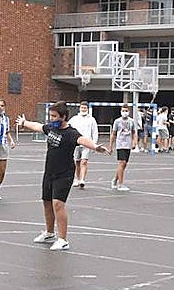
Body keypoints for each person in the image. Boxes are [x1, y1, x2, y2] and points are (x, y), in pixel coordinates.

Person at [17, 102, 109, 252]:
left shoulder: (70, 133)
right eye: (50, 116)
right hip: (49, 172)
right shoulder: (52, 128)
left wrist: (95, 147)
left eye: (54, 116)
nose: (52, 119)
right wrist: (24, 123)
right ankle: (49, 233)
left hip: (64, 174)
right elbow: (38, 126)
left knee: (58, 204)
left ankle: (63, 239)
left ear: (63, 117)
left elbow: (82, 140)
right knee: (46, 202)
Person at [68, 101, 99, 188]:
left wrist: (94, 144)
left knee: (84, 161)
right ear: (79, 108)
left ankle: (82, 179)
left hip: (87, 143)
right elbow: (68, 127)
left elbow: (95, 132)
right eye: (82, 108)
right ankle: (77, 178)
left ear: (87, 109)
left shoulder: (91, 119)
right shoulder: (74, 119)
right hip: (76, 143)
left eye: (85, 108)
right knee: (77, 161)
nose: (83, 109)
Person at [108, 103, 137, 191]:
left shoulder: (131, 121)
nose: (125, 112)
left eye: (126, 111)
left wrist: (134, 142)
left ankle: (115, 180)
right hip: (120, 144)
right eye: (123, 111)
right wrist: (110, 146)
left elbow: (134, 132)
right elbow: (113, 134)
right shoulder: (117, 121)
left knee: (124, 165)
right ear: (121, 111)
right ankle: (120, 184)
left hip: (128, 145)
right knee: (121, 163)